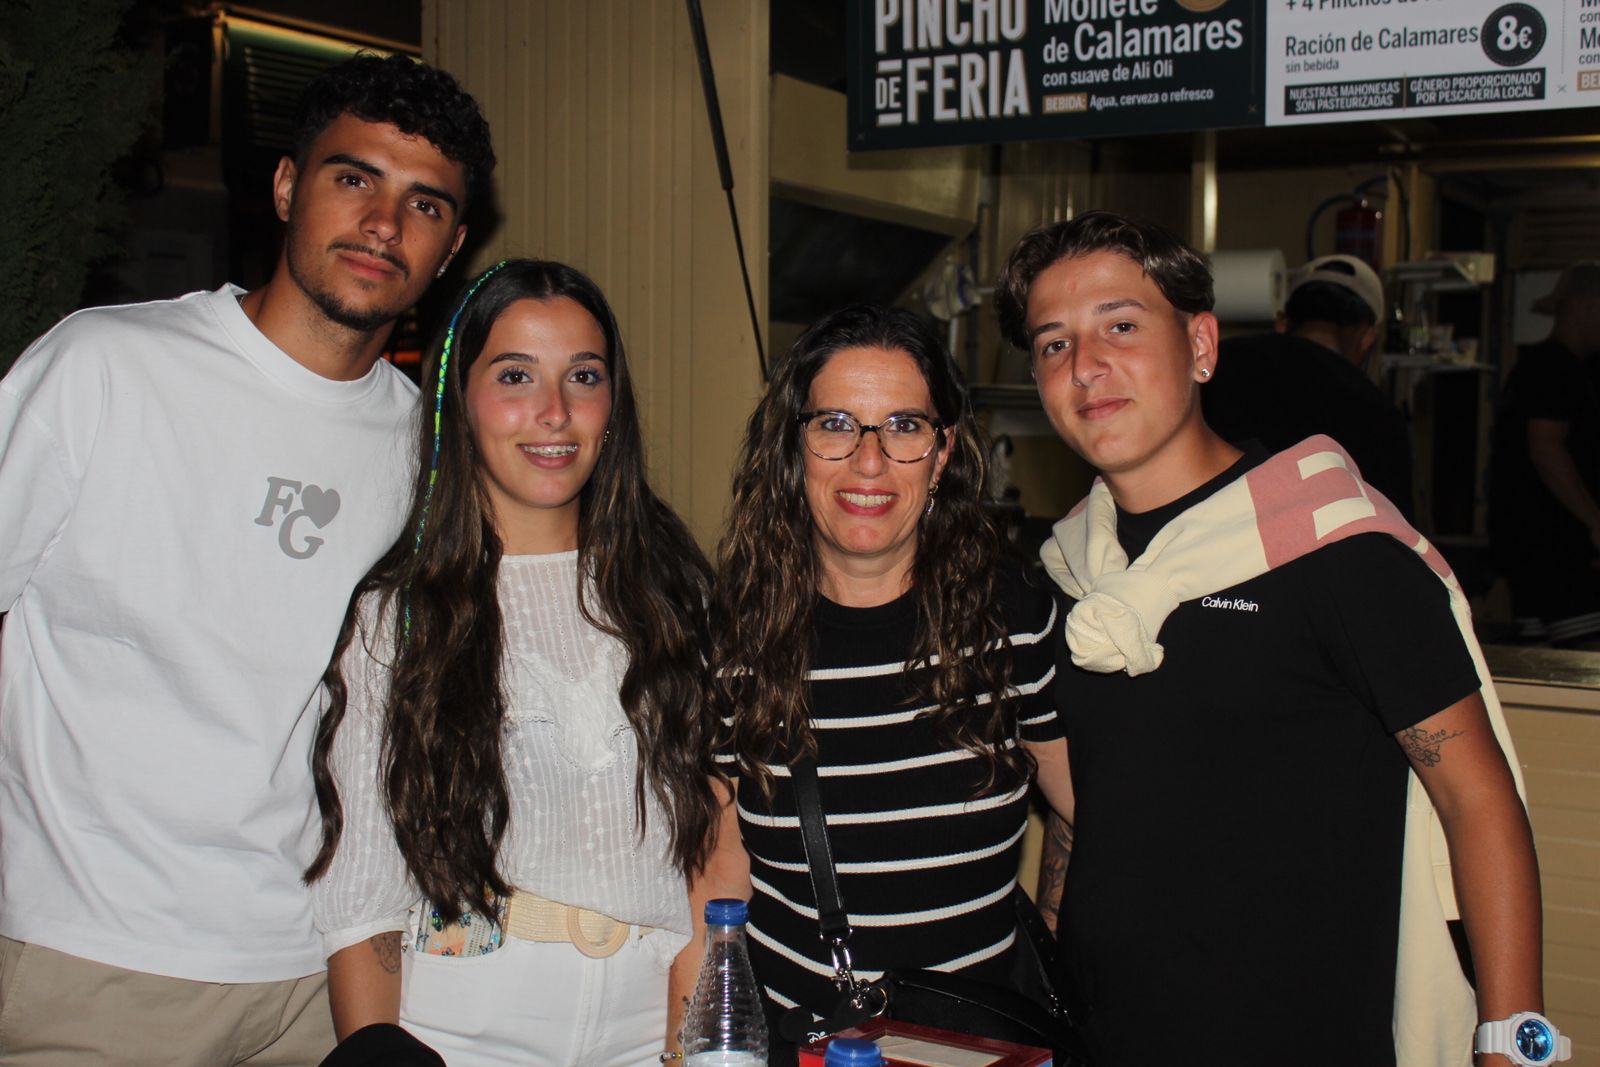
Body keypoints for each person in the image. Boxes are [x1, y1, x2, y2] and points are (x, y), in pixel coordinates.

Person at [0, 53, 492, 1065]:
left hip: (321, 974)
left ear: (450, 249)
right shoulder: (105, 366)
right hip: (94, 962)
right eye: (353, 178)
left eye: (426, 205)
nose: (384, 225)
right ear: (284, 185)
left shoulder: (433, 452)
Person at [995, 211, 1551, 1067]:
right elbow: (1086, 814)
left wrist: (1511, 1043)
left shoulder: (1338, 553)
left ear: (1203, 345)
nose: (1088, 365)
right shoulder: (1066, 576)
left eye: (1121, 325)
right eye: (1054, 343)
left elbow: (1479, 802)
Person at [306, 259, 725, 1066]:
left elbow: (711, 862)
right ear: (459, 401)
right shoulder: (397, 615)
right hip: (458, 1036)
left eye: (584, 375)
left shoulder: (681, 599)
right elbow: (362, 902)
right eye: (515, 374)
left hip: (650, 1036)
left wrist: (690, 1047)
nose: (555, 411)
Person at [709, 305, 1072, 1033]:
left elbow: (1080, 812)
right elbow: (717, 883)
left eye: (903, 427)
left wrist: (1060, 949)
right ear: (795, 447)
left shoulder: (1014, 619)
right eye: (836, 424)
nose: (868, 461)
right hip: (797, 1043)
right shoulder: (732, 637)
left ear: (942, 455)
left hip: (976, 1046)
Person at [1203, 253, 1414, 518]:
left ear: (1283, 323)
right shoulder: (1378, 416)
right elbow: (1397, 537)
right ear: (1368, 337)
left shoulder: (1213, 369)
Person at [1489, 260, 1600, 644]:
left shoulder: (1535, 367)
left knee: (1537, 671)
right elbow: (1545, 449)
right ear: (1586, 306)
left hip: (1529, 555)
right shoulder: (1555, 368)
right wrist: (1595, 520)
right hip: (1557, 554)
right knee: (1580, 670)